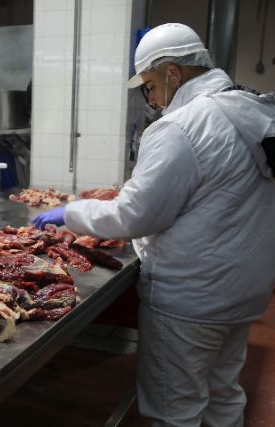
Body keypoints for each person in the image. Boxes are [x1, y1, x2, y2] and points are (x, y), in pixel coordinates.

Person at [31, 23, 275, 426]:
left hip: (190, 299)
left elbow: (135, 215)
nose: (153, 99)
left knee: (174, 410)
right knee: (223, 393)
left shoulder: (181, 126)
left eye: (150, 86)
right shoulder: (250, 111)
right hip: (242, 291)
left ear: (173, 74)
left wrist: (72, 213)